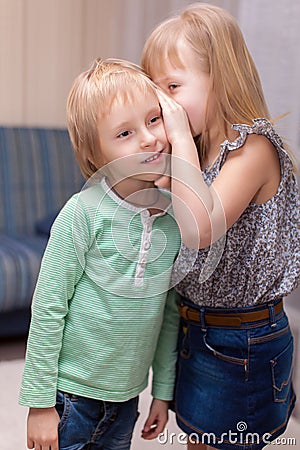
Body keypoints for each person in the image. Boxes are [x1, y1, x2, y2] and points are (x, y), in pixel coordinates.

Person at [142, 3, 300, 450]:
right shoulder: (196, 152)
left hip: (242, 342)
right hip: (199, 329)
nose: (164, 104)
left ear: (222, 77)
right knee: (199, 441)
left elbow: (200, 228)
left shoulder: (252, 149)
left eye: (173, 87)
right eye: (158, 93)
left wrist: (176, 144)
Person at [19, 58, 181, 450]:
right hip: (69, 397)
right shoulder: (83, 212)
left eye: (154, 120)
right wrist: (40, 404)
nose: (148, 138)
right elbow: (48, 307)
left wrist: (162, 390)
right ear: (96, 152)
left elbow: (169, 312)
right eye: (125, 132)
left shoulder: (176, 219)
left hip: (127, 399)